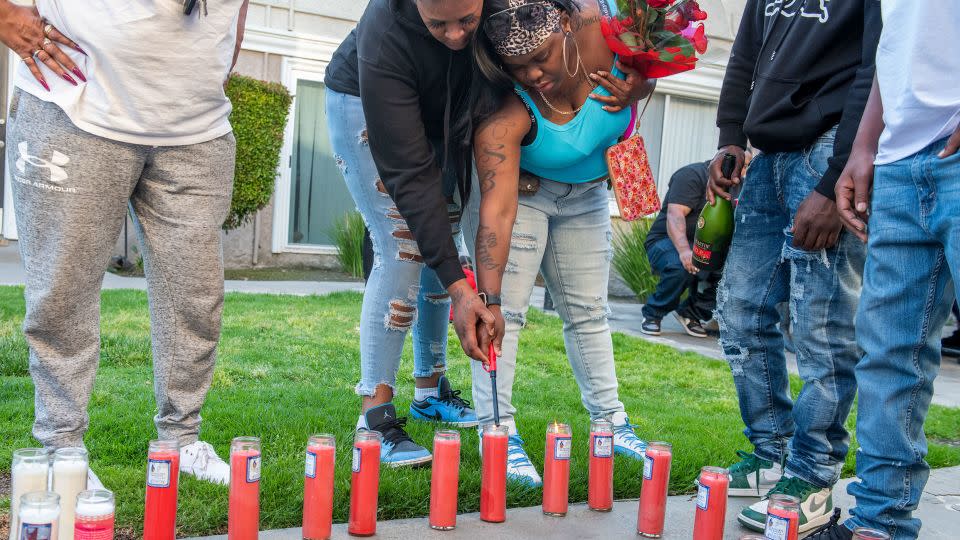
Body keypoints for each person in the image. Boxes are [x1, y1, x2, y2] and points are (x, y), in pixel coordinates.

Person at [4, 0, 251, 486]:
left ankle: (181, 437)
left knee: (195, 298)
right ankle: (61, 445)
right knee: (62, 294)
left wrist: (218, 58)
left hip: (197, 130)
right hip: (74, 109)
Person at [707, 0, 880, 533]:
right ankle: (771, 452)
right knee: (739, 312)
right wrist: (730, 136)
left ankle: (811, 474)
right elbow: (743, 56)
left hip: (828, 153)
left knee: (820, 329)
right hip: (768, 155)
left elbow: (877, 64)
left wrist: (835, 182)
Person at [465, 0, 654, 485]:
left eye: (541, 57)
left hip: (591, 193)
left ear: (568, 26)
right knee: (510, 311)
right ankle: (497, 433)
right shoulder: (505, 111)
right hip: (525, 195)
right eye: (517, 66)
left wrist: (644, 84)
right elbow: (497, 213)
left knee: (590, 310)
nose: (532, 74)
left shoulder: (611, 29)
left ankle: (610, 422)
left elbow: (654, 71)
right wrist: (487, 300)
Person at [807, 4, 960, 539]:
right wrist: (865, 144)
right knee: (888, 353)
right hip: (898, 157)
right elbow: (896, 44)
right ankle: (880, 523)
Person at [324, 0, 488, 467]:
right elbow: (410, 176)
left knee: (447, 239)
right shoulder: (384, 30)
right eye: (439, 23)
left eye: (468, 22)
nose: (457, 35)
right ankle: (373, 421)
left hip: (442, 111)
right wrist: (462, 291)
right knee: (402, 243)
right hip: (362, 102)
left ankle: (429, 388)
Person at [640, 161, 721, 338]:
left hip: (706, 246)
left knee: (735, 275)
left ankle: (691, 313)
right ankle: (653, 314)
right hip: (666, 240)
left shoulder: (741, 184)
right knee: (679, 266)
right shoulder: (692, 175)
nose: (744, 172)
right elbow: (675, 214)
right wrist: (685, 251)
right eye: (743, 166)